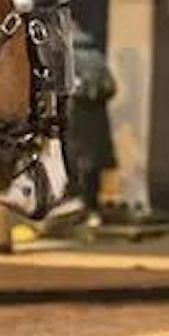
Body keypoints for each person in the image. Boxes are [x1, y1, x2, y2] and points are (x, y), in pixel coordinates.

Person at [68, 28, 116, 224]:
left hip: (76, 118)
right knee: (92, 167)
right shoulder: (98, 59)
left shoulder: (70, 60)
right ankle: (92, 208)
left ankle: (78, 205)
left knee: (73, 162)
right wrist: (97, 97)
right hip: (97, 119)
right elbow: (112, 87)